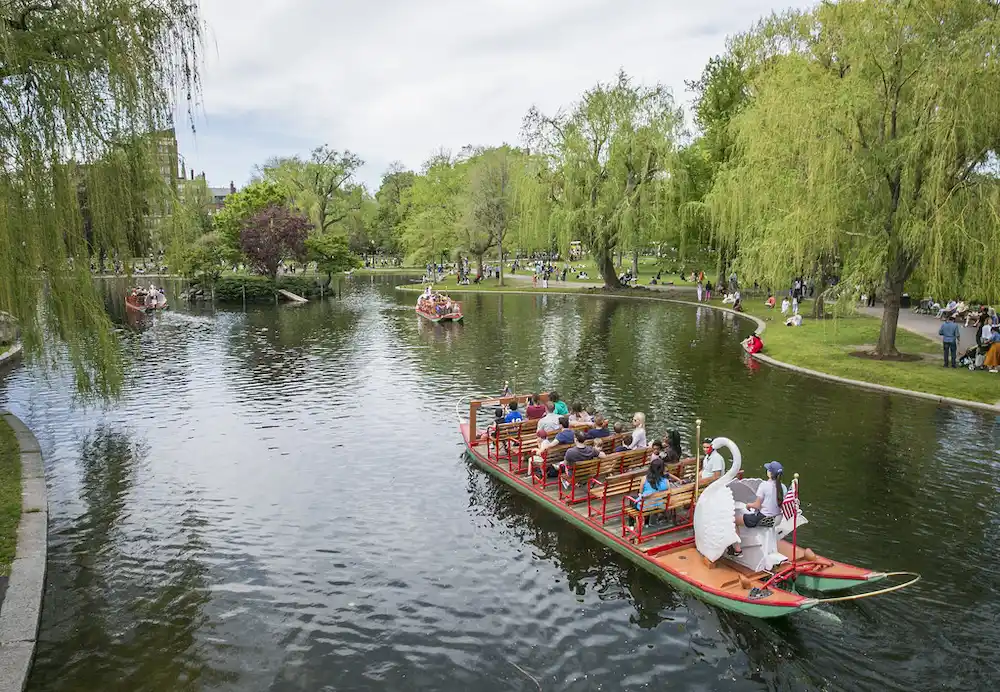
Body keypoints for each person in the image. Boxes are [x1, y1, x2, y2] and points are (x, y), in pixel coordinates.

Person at [730, 461, 786, 558]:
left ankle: (737, 550)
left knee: (733, 520)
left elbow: (756, 505)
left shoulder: (764, 485)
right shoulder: (783, 487)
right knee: (748, 516)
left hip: (763, 518)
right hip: (776, 519)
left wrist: (748, 505)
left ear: (770, 473)